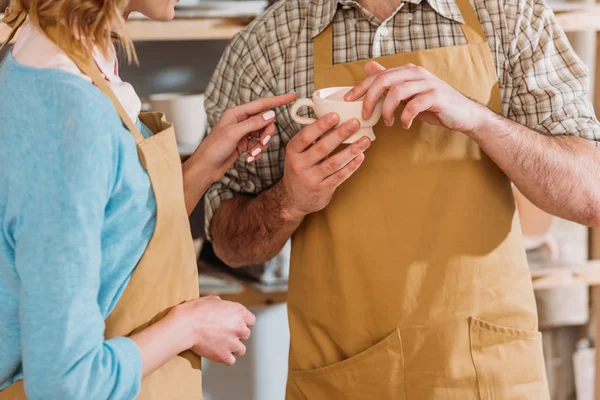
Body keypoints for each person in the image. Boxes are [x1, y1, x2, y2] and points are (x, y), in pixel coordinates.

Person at [204, 0, 600, 398]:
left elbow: (590, 196)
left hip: (489, 374)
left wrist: (479, 119)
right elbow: (229, 245)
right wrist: (289, 200)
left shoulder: (509, 16)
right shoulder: (268, 44)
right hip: (341, 379)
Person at [0, 0, 296, 398]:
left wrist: (204, 166)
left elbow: (116, 240)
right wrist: (189, 326)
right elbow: (66, 384)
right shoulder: (72, 116)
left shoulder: (54, 58)